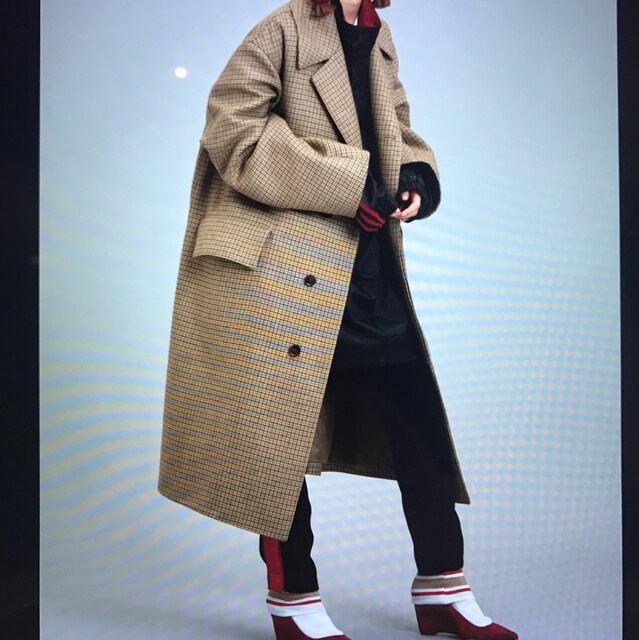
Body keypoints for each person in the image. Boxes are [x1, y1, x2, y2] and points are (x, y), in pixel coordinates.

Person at [158, 1, 518, 638]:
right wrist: (344, 185)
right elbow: (232, 129)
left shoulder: (378, 35)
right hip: (285, 270)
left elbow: (396, 128)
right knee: (277, 442)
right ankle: (295, 600)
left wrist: (415, 178)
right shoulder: (282, 29)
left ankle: (443, 587)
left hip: (366, 264)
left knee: (418, 423)